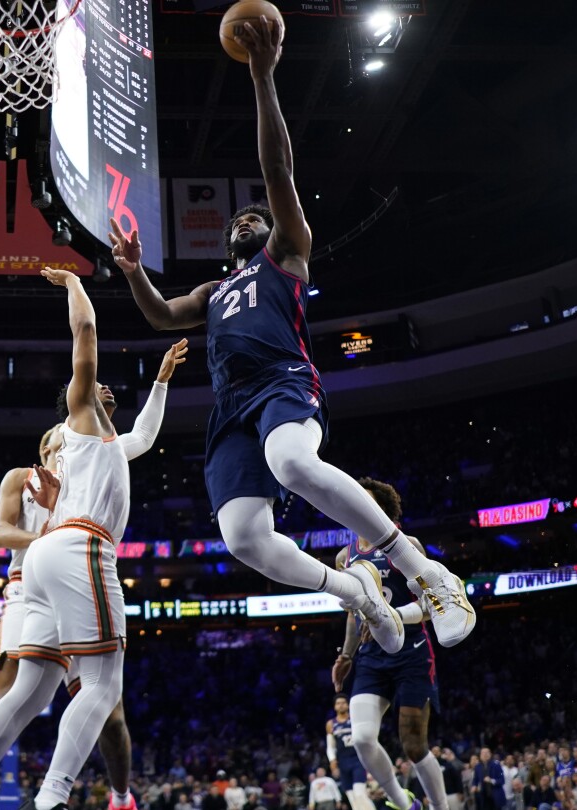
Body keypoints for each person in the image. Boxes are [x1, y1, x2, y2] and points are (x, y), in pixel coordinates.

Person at [114, 12, 473, 656]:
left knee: (292, 462)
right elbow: (161, 317)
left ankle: (426, 574)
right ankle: (354, 591)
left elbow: (277, 168)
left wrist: (261, 78)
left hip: (283, 379)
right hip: (230, 409)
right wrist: (136, 272)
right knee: (243, 537)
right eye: (237, 223)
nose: (246, 220)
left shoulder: (286, 251)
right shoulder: (214, 292)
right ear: (227, 246)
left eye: (254, 214)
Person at [0, 267, 132, 810]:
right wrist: (74, 285)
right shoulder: (83, 421)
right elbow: (86, 334)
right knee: (102, 684)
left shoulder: (95, 448)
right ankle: (52, 795)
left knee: (32, 688)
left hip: (45, 557)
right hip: (81, 547)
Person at [0, 339, 187, 810]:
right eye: (55, 440)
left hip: (74, 577)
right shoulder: (23, 477)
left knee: (109, 712)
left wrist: (161, 380)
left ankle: (120, 796)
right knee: (8, 691)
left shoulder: (90, 458)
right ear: (47, 445)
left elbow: (144, 435)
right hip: (26, 589)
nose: (62, 443)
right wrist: (49, 537)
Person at [330, 480, 448, 810]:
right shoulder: (345, 557)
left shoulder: (406, 546)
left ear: (381, 509)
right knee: (363, 738)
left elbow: (431, 605)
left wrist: (387, 616)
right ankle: (403, 802)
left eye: (363, 501)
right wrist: (346, 654)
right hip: (371, 658)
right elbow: (354, 614)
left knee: (413, 745)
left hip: (411, 653)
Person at [326, 697, 367, 791]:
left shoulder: (356, 719)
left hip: (358, 758)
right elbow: (330, 746)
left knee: (360, 791)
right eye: (338, 703)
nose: (341, 705)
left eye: (343, 703)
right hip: (343, 760)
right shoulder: (331, 724)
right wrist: (332, 761)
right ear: (334, 706)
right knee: (350, 793)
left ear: (348, 705)